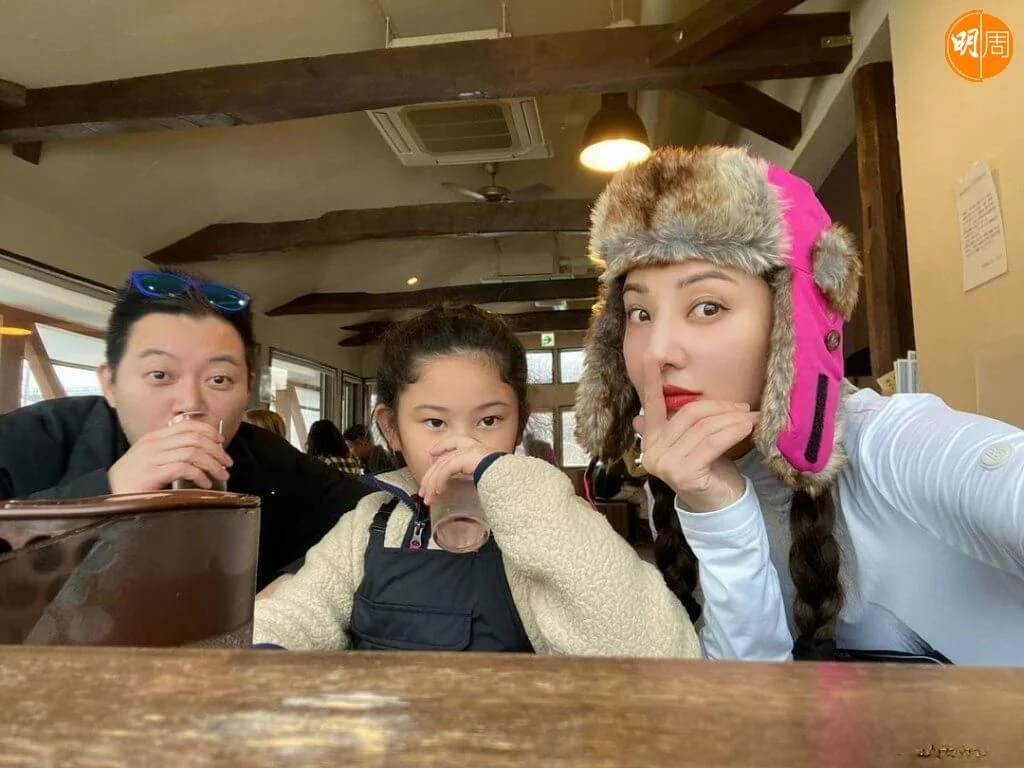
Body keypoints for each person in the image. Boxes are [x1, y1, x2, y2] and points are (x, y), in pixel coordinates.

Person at [574, 145, 1024, 666]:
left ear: (795, 320)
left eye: (707, 306)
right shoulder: (680, 482)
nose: (657, 353)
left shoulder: (890, 445)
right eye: (639, 313)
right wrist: (718, 511)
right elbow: (748, 700)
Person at [253, 304, 698, 656]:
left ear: (519, 424)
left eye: (488, 420)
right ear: (391, 429)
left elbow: (658, 650)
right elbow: (298, 613)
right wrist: (258, 654)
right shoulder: (369, 524)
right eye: (434, 423)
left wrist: (524, 496)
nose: (461, 446)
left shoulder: (551, 522)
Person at [0, 269, 371, 590]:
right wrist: (107, 493)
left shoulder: (268, 460)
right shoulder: (29, 440)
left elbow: (376, 518)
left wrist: (292, 588)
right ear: (110, 384)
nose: (191, 402)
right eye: (160, 375)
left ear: (247, 388)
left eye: (219, 379)